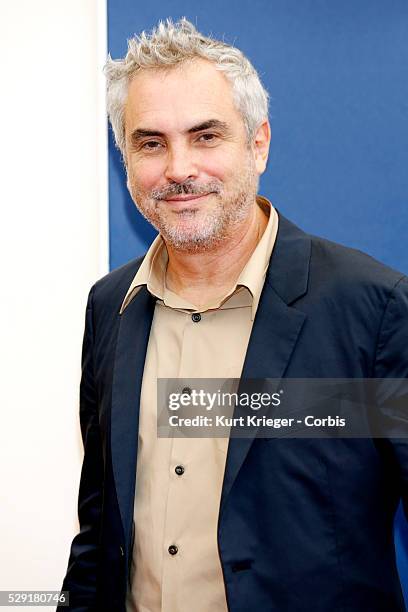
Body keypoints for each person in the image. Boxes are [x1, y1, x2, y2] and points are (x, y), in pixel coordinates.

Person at [60, 18, 408, 612]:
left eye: (205, 136)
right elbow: (100, 530)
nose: (177, 168)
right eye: (150, 142)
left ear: (259, 144)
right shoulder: (109, 308)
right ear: (125, 159)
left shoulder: (372, 308)